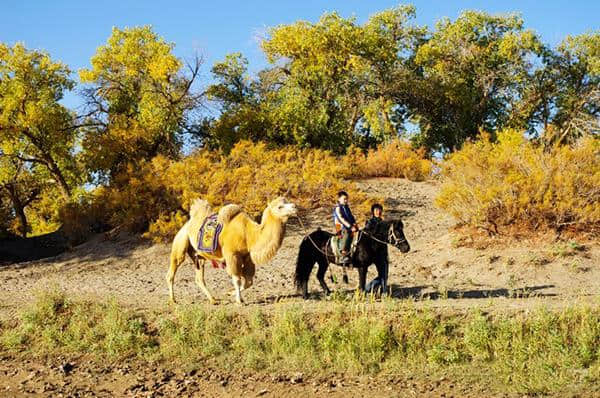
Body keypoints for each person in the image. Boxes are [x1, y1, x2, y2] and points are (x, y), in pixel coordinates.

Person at [364, 203, 389, 295]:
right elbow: (367, 234)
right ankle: (368, 288)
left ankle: (383, 292)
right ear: (373, 212)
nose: (378, 212)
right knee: (383, 274)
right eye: (376, 210)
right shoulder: (370, 222)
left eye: (379, 210)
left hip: (383, 251)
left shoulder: (384, 223)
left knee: (384, 274)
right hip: (374, 252)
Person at [333, 191, 357, 264]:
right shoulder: (338, 208)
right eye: (344, 199)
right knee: (346, 234)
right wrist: (350, 227)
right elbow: (341, 219)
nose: (346, 201)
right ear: (339, 199)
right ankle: (343, 254)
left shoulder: (346, 207)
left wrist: (354, 223)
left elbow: (351, 216)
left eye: (347, 199)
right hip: (340, 226)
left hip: (348, 225)